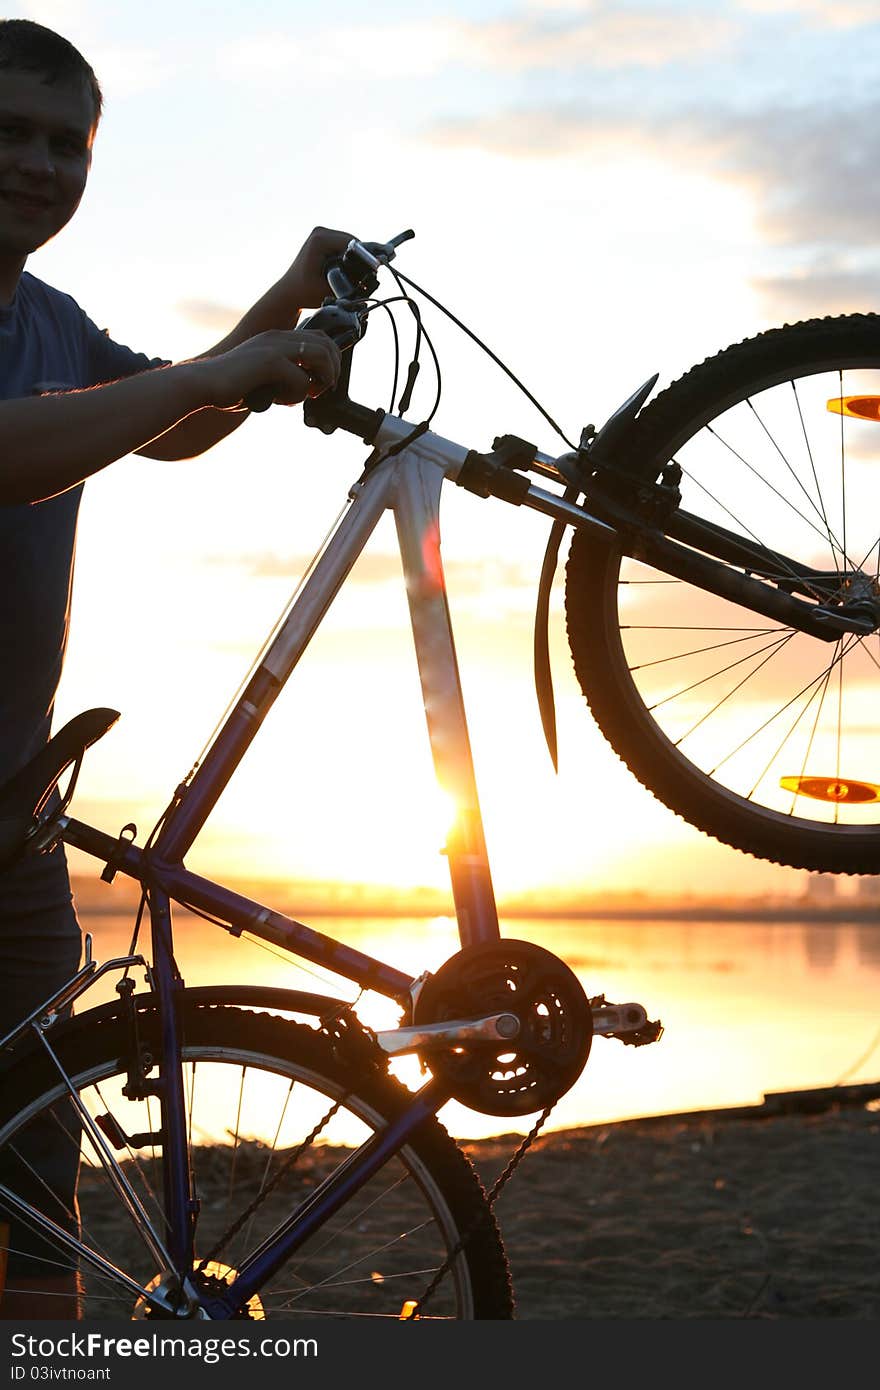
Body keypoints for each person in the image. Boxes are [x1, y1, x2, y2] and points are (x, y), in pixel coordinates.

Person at [0, 17, 349, 1319]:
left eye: (66, 144)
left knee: (38, 1181)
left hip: (17, 822)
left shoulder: (47, 317)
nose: (40, 165)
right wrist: (242, 367)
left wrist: (286, 305)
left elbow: (181, 418)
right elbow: (19, 456)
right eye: (12, 134)